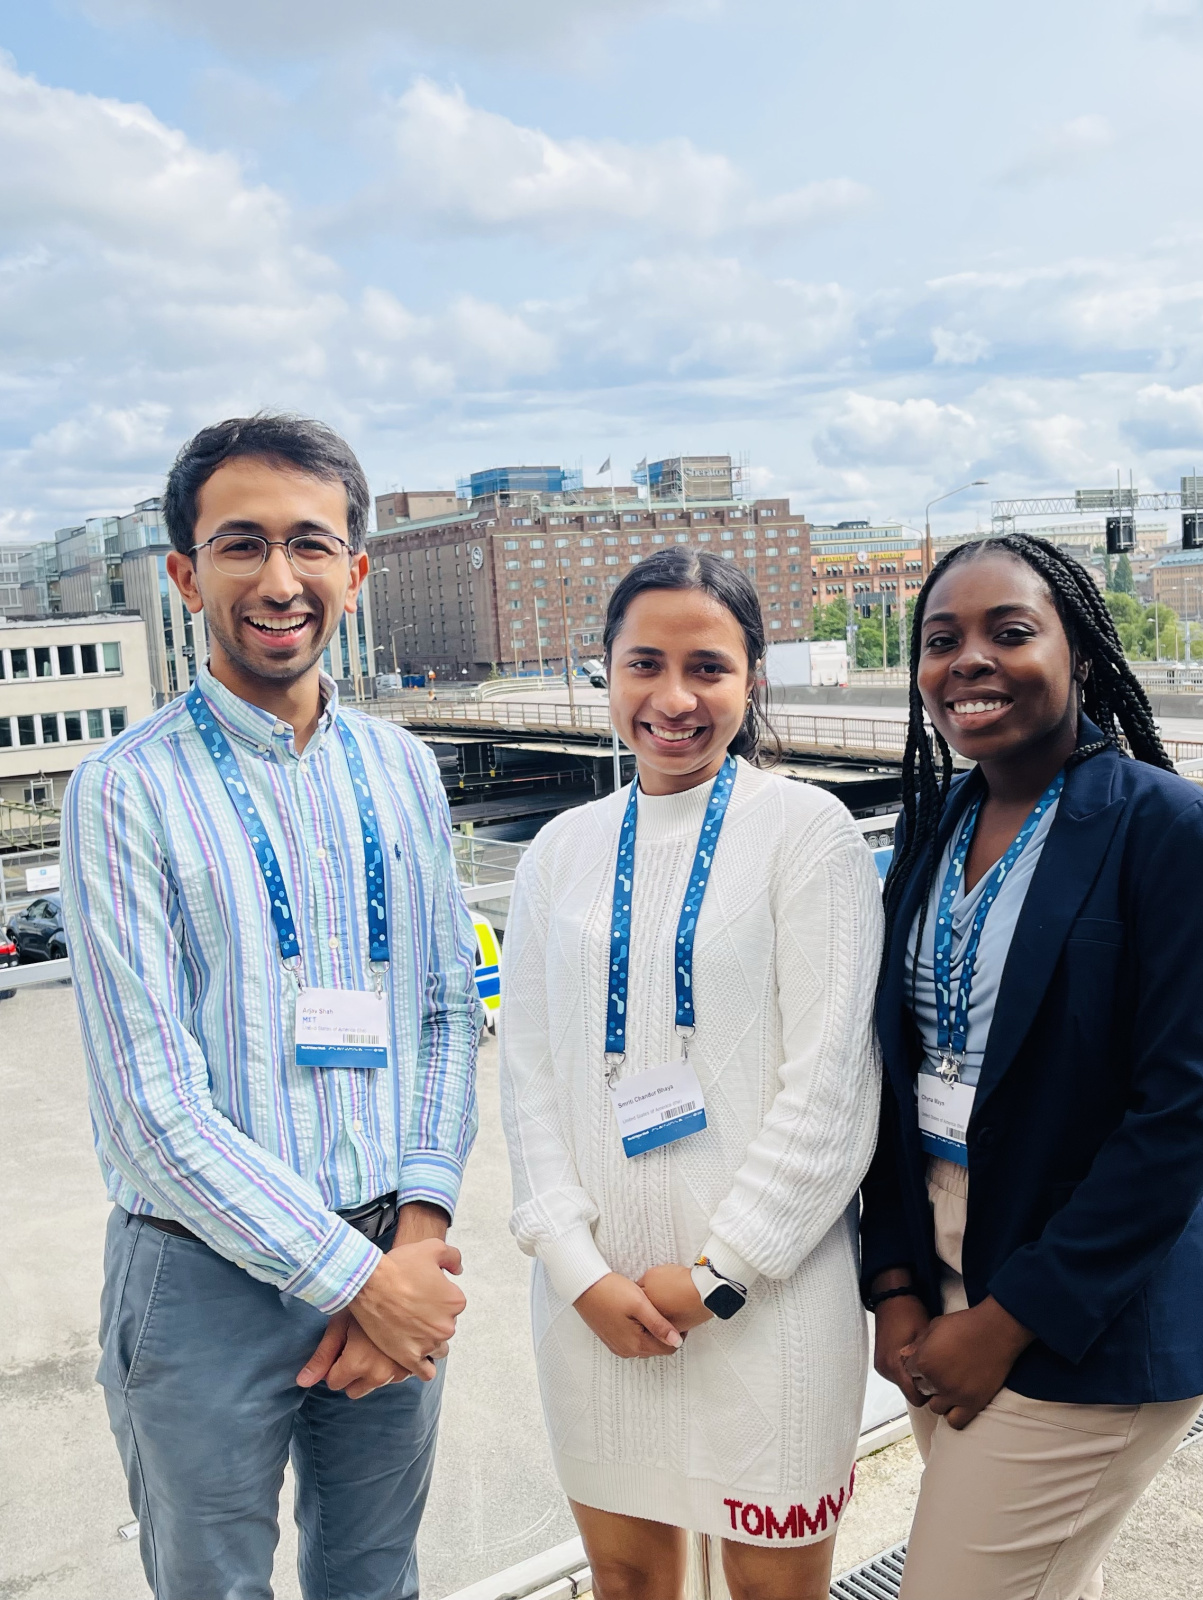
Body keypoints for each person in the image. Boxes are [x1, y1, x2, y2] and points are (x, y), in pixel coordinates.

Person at [62, 414, 481, 1600]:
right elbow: (151, 1108)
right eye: (241, 545)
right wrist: (356, 1285)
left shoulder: (402, 769)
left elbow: (447, 1013)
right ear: (188, 574)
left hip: (387, 1237)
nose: (279, 578)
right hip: (201, 1278)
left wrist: (412, 1229)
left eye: (311, 543)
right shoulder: (122, 791)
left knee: (375, 1576)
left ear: (356, 567)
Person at [861, 534, 1203, 1600]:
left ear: (1079, 650)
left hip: (1086, 1314)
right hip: (944, 1271)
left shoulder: (1171, 833)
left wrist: (1005, 1321)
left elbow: (1181, 1117)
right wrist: (895, 1281)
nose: (968, 661)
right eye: (942, 640)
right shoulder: (932, 826)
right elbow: (892, 1074)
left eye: (1010, 631)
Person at [498, 550, 883, 1600]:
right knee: (625, 1583)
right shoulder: (558, 853)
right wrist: (579, 1271)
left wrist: (722, 1271)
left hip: (768, 1301)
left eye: (707, 667)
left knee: (774, 1590)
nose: (673, 698)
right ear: (605, 673)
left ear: (754, 677)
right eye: (644, 663)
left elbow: (832, 1089)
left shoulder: (807, 835)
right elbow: (524, 1075)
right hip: (594, 1305)